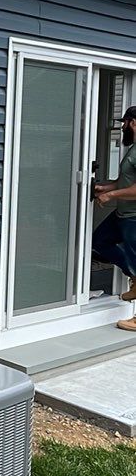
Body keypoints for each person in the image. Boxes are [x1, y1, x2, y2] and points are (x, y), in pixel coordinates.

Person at [92, 105, 136, 331]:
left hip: (134, 217)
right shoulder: (133, 149)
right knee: (100, 241)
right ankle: (133, 276)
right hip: (123, 213)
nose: (122, 127)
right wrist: (103, 187)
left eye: (125, 123)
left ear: (134, 123)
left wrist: (111, 195)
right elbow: (126, 182)